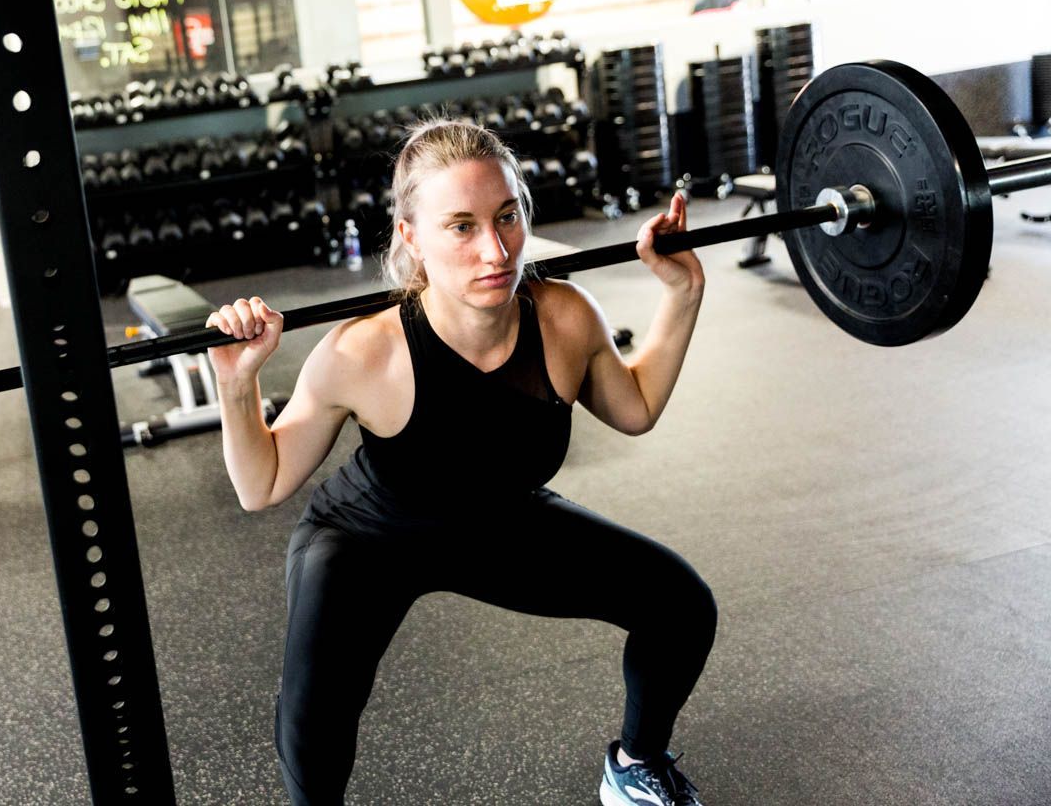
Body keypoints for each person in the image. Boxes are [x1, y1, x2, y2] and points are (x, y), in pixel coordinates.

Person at [206, 121, 716, 806]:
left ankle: (634, 767)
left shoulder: (563, 319)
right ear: (411, 234)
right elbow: (260, 484)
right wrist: (237, 386)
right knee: (316, 710)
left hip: (500, 525)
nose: (497, 250)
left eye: (507, 217)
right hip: (369, 538)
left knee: (680, 606)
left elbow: (637, 407)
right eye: (461, 227)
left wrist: (681, 296)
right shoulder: (364, 353)